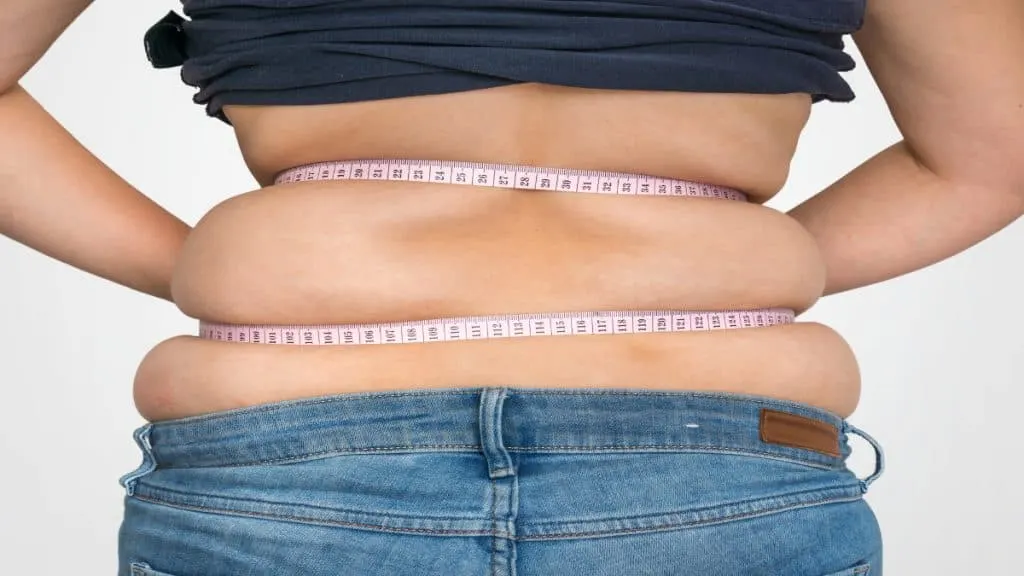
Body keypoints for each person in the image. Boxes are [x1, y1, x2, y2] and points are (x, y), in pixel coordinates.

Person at [2, 0, 1021, 574]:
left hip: (287, 466)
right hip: (715, 475)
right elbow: (995, 149)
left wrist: (241, 277)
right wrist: (711, 270)